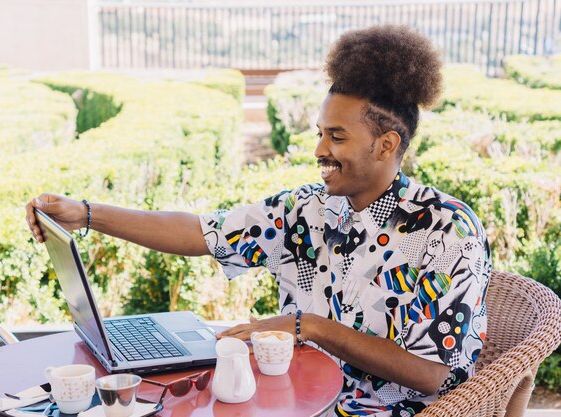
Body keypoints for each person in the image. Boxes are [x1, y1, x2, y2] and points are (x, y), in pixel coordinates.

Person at [26, 25, 491, 417]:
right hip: (288, 401)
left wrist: (311, 326)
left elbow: (433, 372)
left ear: (387, 145)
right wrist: (85, 215)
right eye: (319, 134)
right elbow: (201, 232)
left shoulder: (448, 231)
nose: (319, 150)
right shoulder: (306, 210)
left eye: (337, 136)